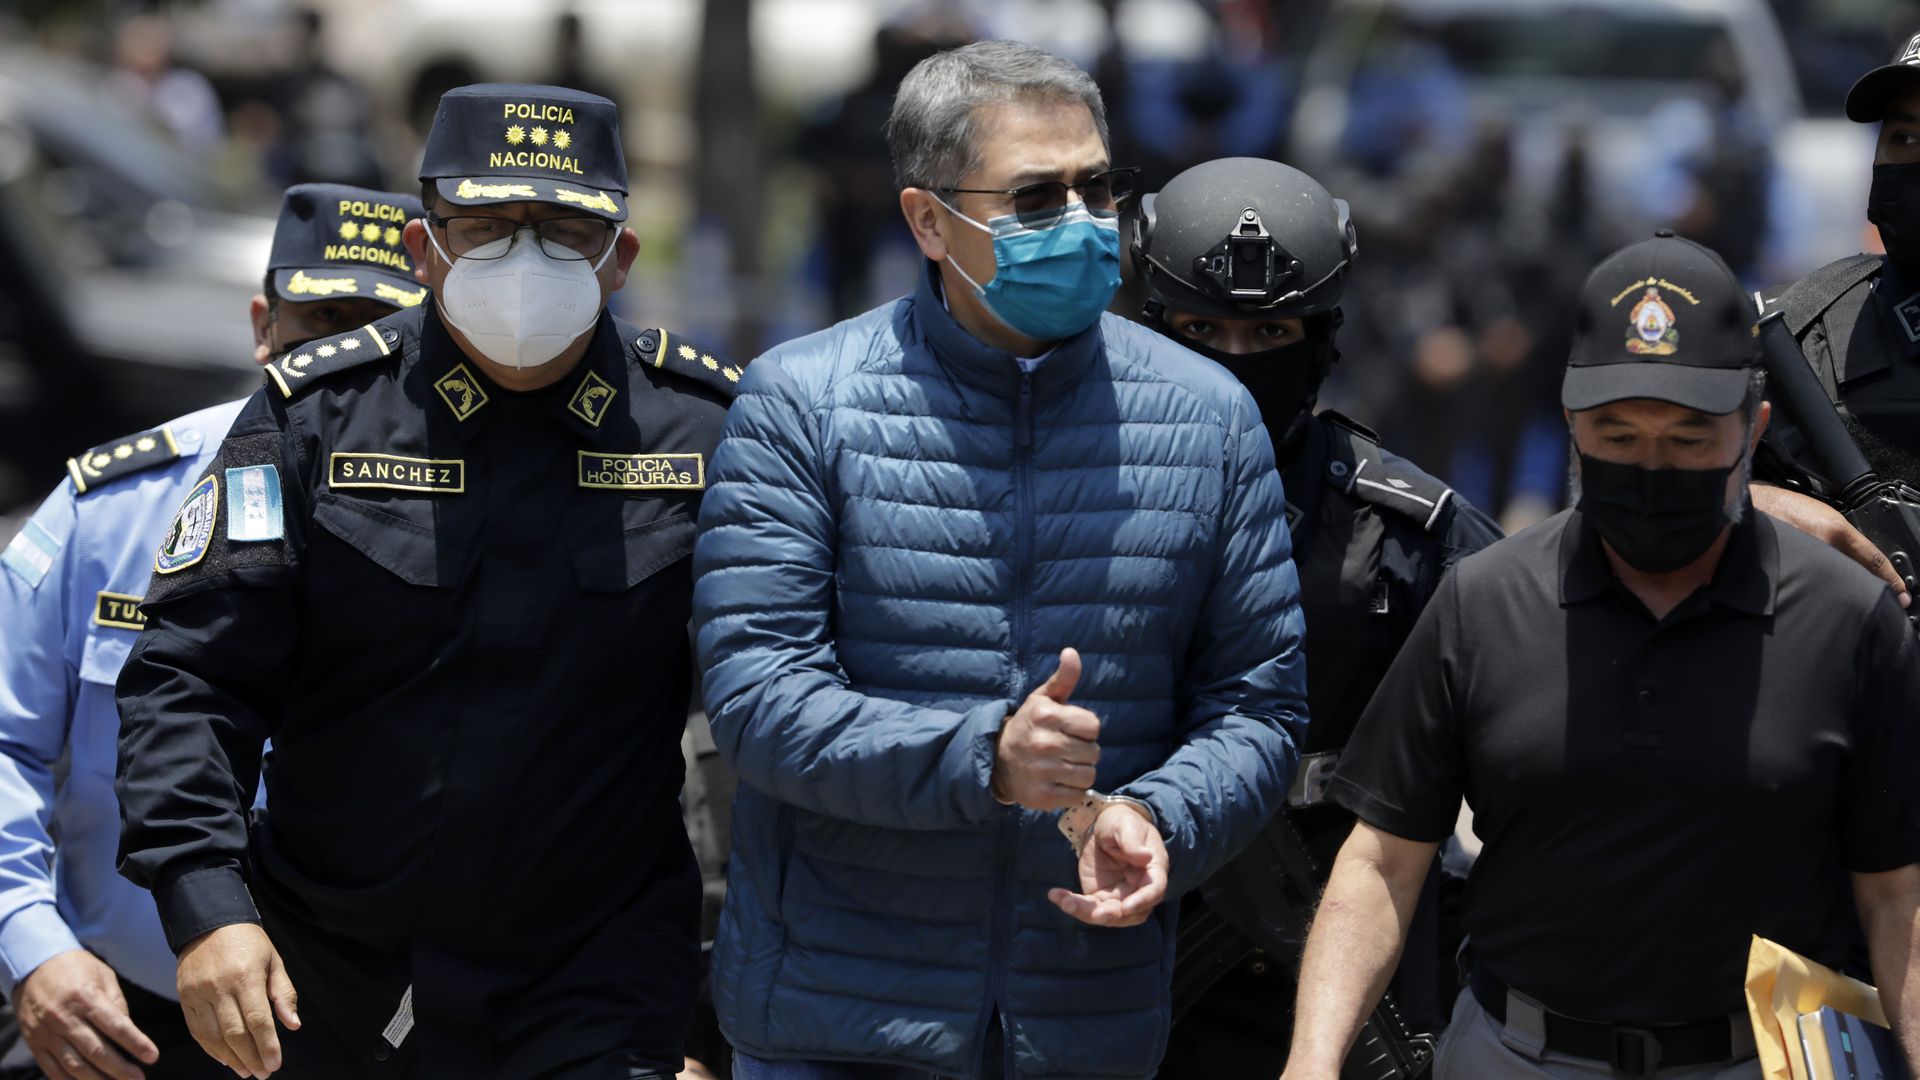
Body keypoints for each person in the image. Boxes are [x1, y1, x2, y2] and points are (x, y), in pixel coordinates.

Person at [691, 41, 1308, 1080]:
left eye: (1097, 186)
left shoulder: (1208, 418)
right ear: (929, 221)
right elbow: (757, 700)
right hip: (836, 1024)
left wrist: (1162, 817)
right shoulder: (803, 403)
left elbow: (1260, 706)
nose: (1079, 220)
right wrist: (985, 761)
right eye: (1034, 196)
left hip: (1084, 1022)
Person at [113, 84, 737, 1079]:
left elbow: (752, 727)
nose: (524, 261)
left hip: (594, 981)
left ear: (621, 258)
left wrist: (712, 1013)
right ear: (422, 249)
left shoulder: (707, 432)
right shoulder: (317, 416)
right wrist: (205, 909)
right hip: (326, 974)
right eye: (486, 226)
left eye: (565, 231)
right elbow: (190, 680)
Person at [1281, 231, 1920, 1079]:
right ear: (1571, 425)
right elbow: (1381, 863)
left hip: (1765, 1059)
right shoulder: (1482, 602)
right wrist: (1312, 1063)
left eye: (1689, 439)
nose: (1652, 466)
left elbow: (1897, 895)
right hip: (1518, 1054)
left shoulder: (1847, 620)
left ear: (1755, 426)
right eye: (1618, 438)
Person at [0, 182, 420, 1080]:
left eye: (378, 333)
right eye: (322, 324)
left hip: (381, 1033)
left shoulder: (476, 527)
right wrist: (30, 941)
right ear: (264, 325)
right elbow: (6, 741)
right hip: (120, 1022)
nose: (343, 362)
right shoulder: (113, 508)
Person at [1130, 157, 1501, 1078]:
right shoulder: (1079, 501)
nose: (1238, 361)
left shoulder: (1410, 532)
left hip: (1347, 967)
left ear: (1324, 337)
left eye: (1272, 331)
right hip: (1125, 961)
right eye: (1201, 330)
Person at [1751, 30, 1920, 609]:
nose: (1915, 158)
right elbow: (1645, 488)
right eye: (1903, 137)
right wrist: (1761, 510)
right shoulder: (1793, 334)